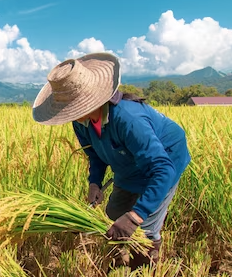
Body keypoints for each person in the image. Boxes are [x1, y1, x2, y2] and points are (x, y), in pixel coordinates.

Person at [32, 52, 191, 270]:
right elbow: (95, 154)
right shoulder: (80, 121)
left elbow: (162, 170)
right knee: (113, 215)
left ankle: (143, 268)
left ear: (90, 100)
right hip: (128, 161)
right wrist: (94, 183)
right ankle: (117, 265)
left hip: (166, 159)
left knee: (143, 228)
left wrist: (135, 217)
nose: (70, 115)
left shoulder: (128, 119)